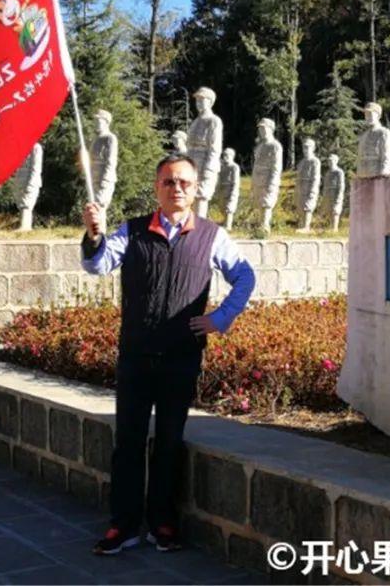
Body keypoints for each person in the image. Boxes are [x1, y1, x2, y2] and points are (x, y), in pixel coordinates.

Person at [81, 154, 256, 555]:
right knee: (128, 441)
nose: (176, 188)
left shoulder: (212, 236)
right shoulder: (133, 231)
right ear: (156, 188)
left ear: (196, 189)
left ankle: (163, 523)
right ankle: (123, 525)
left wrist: (221, 318)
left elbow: (245, 276)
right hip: (136, 354)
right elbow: (98, 265)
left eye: (184, 183)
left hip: (181, 356)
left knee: (169, 441)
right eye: (168, 182)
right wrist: (94, 235)